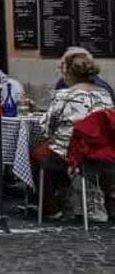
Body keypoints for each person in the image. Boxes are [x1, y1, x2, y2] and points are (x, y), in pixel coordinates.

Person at [34, 51, 113, 221]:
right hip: (100, 150)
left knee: (36, 153)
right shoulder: (104, 94)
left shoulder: (64, 95)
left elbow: (45, 128)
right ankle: (78, 197)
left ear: (68, 73)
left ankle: (52, 207)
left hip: (72, 153)